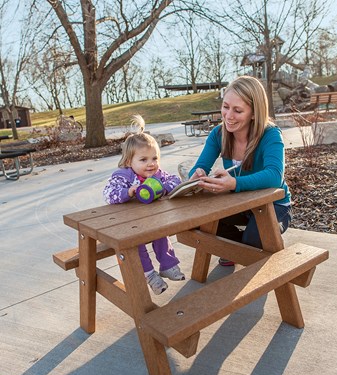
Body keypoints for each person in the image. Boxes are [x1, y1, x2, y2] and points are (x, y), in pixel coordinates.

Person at [189, 75, 292, 266]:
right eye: (226, 107)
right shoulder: (218, 134)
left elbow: (275, 176)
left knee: (251, 245)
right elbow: (199, 167)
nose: (228, 116)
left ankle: (244, 245)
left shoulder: (270, 134)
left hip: (274, 206)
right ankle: (237, 247)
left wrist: (234, 184)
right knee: (194, 223)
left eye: (238, 110)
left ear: (254, 113)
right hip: (239, 204)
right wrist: (197, 176)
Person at [103, 115, 185, 295]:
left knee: (161, 234)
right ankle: (149, 275)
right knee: (136, 245)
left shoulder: (158, 175)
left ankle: (168, 265)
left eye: (154, 158)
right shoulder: (123, 176)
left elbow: (175, 180)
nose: (151, 164)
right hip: (129, 226)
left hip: (152, 222)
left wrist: (164, 188)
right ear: (128, 162)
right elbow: (108, 194)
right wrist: (128, 192)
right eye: (143, 160)